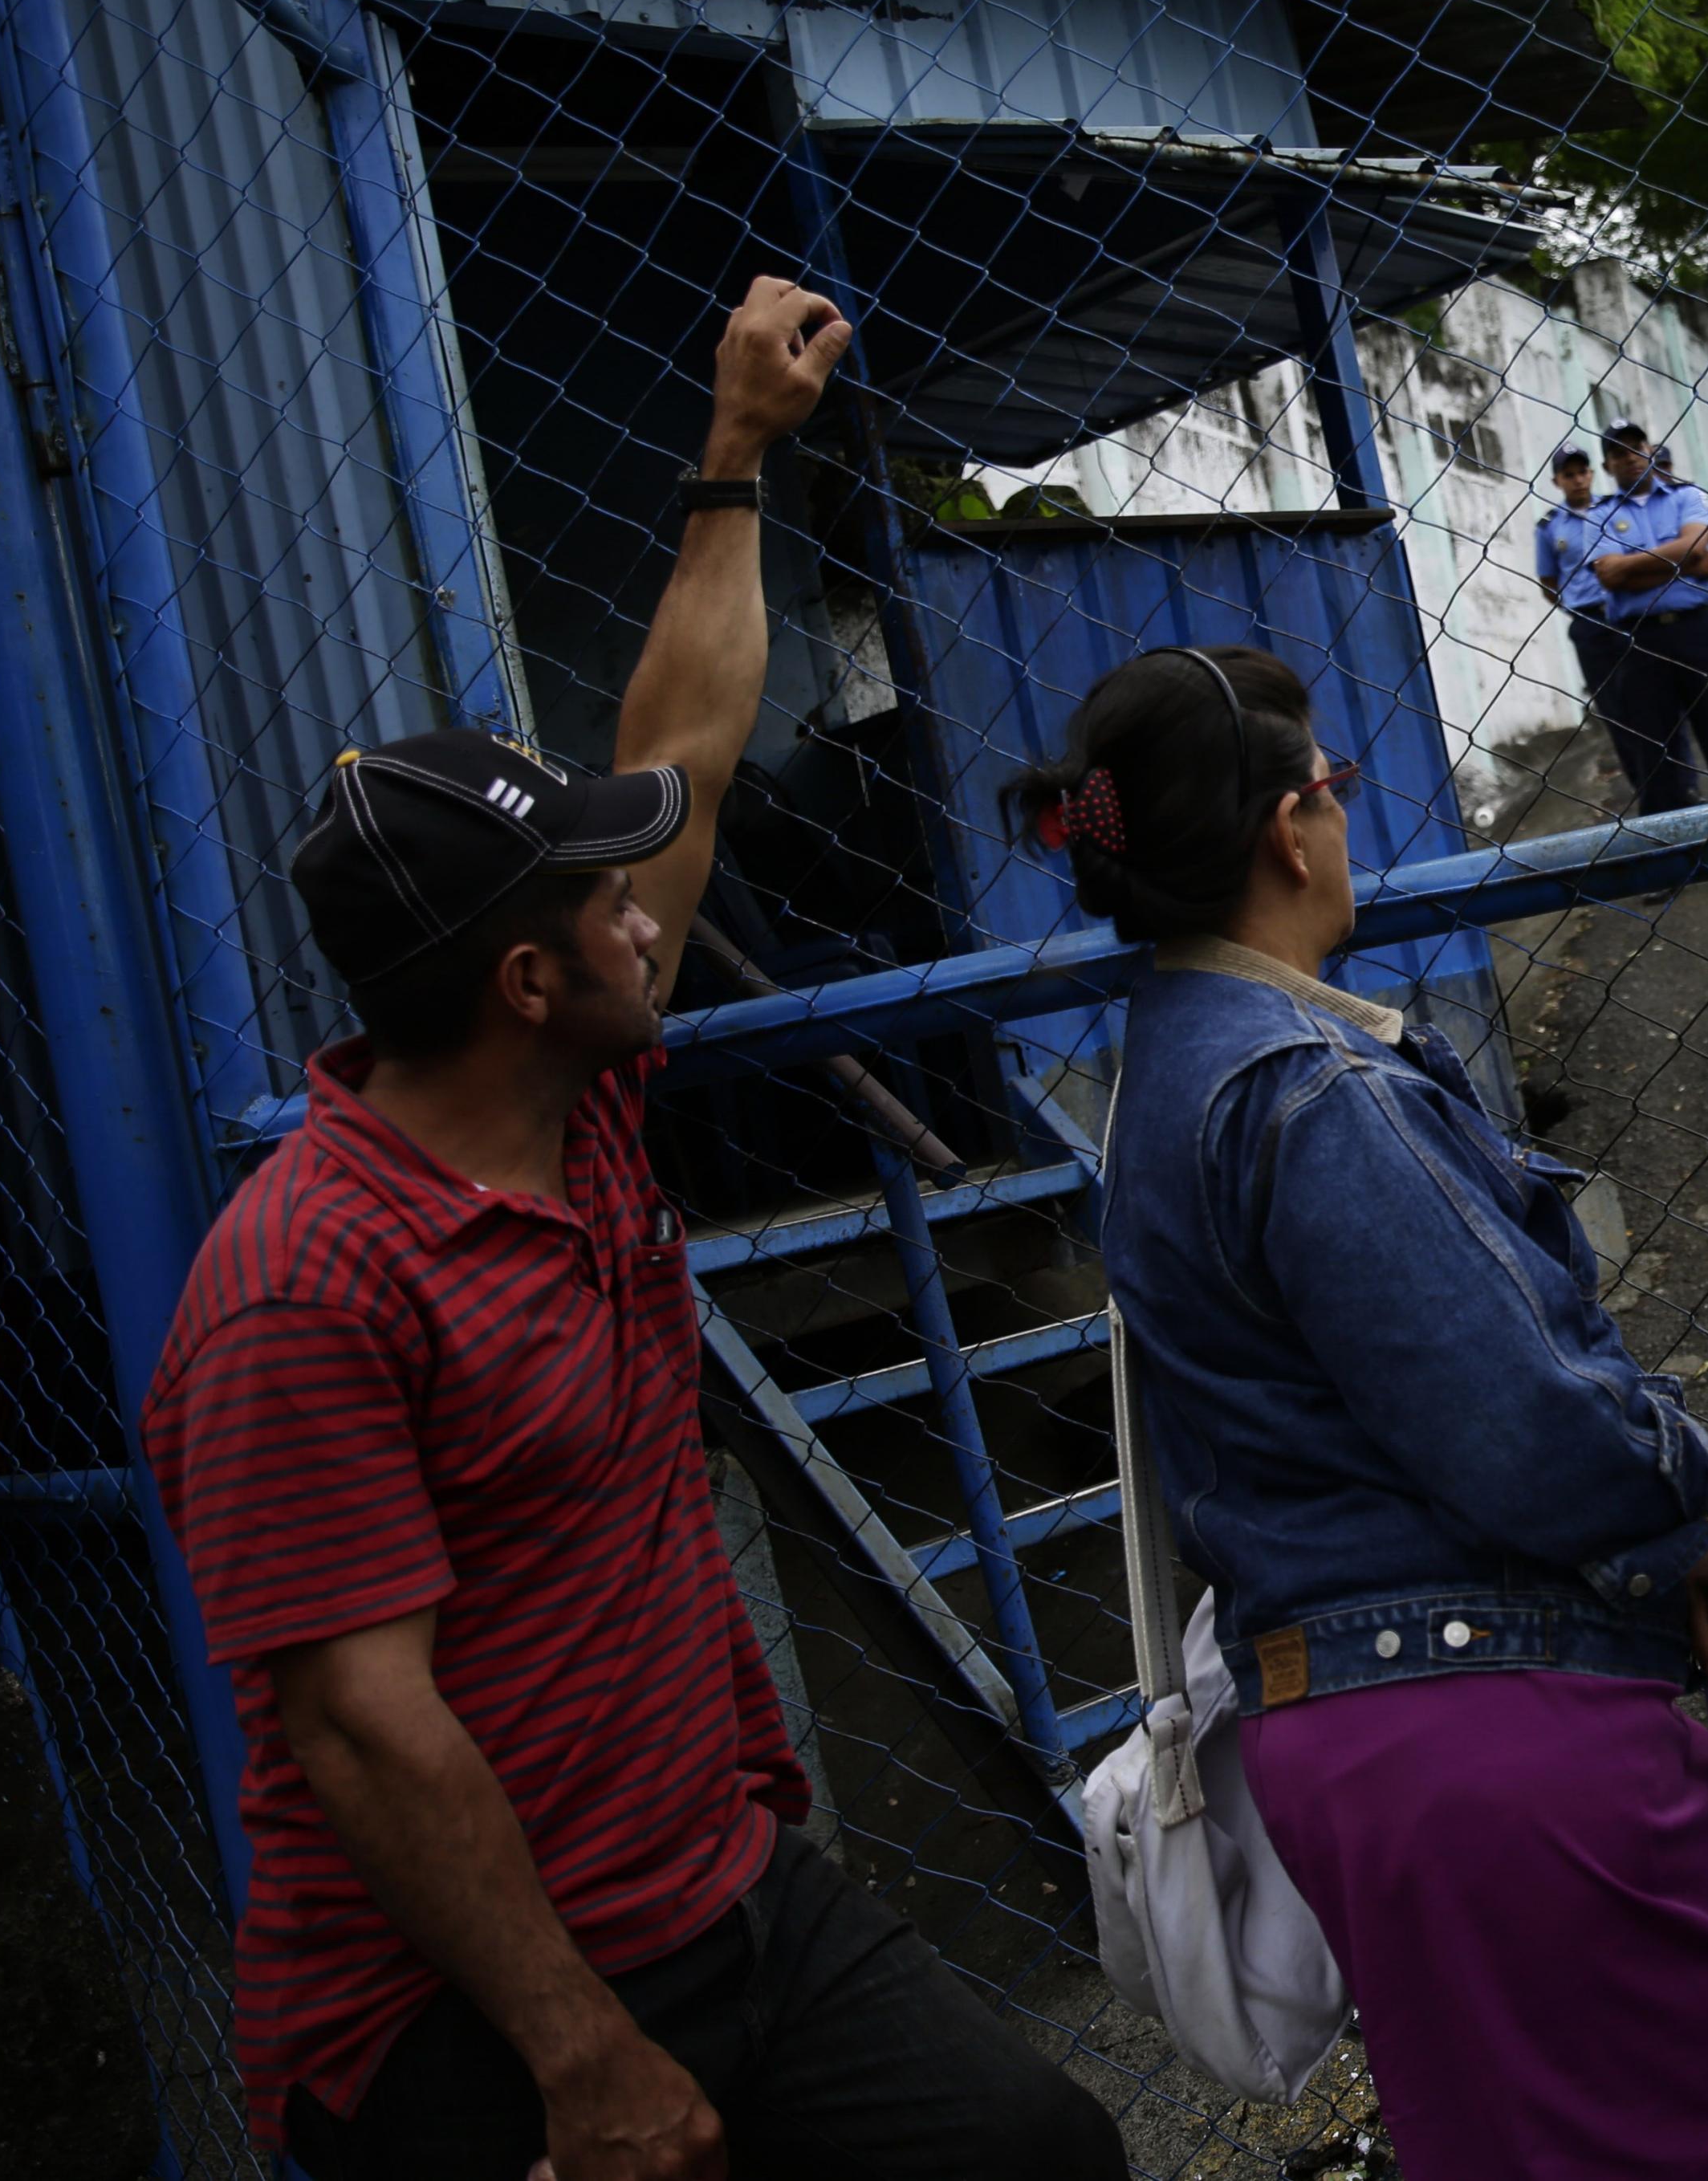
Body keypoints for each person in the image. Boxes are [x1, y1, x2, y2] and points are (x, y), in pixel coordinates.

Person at [141, 280, 1126, 2181]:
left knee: (1035, 2153)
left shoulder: (575, 1096)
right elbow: (357, 1728)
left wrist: (734, 455)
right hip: (464, 2004)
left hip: (717, 1883)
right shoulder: (300, 1284)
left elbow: (680, 742)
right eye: (607, 902)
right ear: (525, 975)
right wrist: (581, 2056)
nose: (653, 908)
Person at [1028, 644, 1708, 2179]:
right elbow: (1528, 1426)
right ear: (1286, 828)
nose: (1339, 817)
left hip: (1370, 1742)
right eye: (1328, 786)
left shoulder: (1162, 1074)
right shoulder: (1312, 1089)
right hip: (1489, 1734)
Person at [1585, 420, 1708, 810]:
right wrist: (1684, 563)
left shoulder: (1689, 497)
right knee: (1655, 752)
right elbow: (1611, 578)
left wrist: (1632, 563)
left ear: (1650, 451)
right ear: (1607, 466)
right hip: (1641, 641)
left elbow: (1697, 546)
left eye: (1636, 448)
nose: (1629, 458)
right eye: (1618, 453)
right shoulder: (1599, 514)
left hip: (1699, 632)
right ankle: (1673, 853)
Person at [1533, 444, 1659, 800]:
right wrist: (1577, 607)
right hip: (1590, 624)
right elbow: (1549, 582)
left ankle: (1677, 783)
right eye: (1568, 475)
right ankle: (1646, 790)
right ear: (1557, 481)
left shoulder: (1615, 509)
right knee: (1615, 711)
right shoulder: (1549, 527)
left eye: (1582, 472)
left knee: (1652, 701)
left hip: (1629, 615)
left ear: (1592, 473)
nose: (1577, 480)